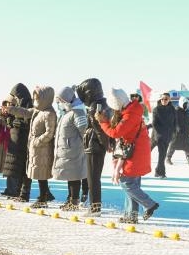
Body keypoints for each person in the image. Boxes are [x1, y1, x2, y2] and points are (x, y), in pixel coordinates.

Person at [98, 88, 158, 223]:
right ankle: (131, 216)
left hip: (135, 153)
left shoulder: (130, 114)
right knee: (133, 184)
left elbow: (115, 133)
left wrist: (103, 122)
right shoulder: (132, 110)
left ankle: (149, 204)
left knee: (127, 183)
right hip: (137, 150)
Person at [3, 86, 57, 207]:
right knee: (37, 173)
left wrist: (37, 141)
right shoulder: (38, 110)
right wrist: (11, 109)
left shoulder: (49, 113)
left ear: (45, 98)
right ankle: (43, 197)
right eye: (34, 98)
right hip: (35, 149)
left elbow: (50, 132)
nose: (35, 100)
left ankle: (43, 199)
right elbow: (25, 112)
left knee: (42, 174)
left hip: (43, 149)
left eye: (37, 98)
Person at [76, 78, 111, 214]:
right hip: (98, 144)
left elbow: (98, 129)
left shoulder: (94, 107)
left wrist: (106, 144)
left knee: (93, 178)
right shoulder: (104, 103)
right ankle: (95, 206)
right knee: (95, 177)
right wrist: (108, 143)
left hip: (93, 144)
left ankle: (95, 207)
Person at [52, 86, 88, 209]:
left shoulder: (77, 112)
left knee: (74, 177)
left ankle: (74, 201)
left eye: (60, 101)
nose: (59, 104)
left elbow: (84, 132)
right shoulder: (67, 113)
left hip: (75, 150)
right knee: (70, 176)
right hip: (68, 150)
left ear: (66, 100)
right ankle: (71, 199)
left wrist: (79, 146)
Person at [0, 83, 34, 200]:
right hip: (14, 139)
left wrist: (16, 121)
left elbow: (27, 122)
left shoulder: (29, 104)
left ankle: (19, 192)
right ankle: (12, 190)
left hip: (23, 141)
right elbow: (10, 124)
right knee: (12, 167)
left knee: (20, 167)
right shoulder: (15, 105)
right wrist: (7, 116)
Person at [151, 92, 176, 178]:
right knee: (147, 151)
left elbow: (175, 122)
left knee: (162, 155)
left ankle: (159, 172)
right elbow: (154, 123)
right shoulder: (157, 109)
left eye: (166, 99)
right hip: (157, 135)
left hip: (167, 136)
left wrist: (173, 133)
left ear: (169, 100)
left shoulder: (172, 109)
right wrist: (159, 134)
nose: (164, 101)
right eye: (162, 99)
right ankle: (160, 172)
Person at [168, 100, 189, 165]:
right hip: (177, 132)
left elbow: (187, 119)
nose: (186, 105)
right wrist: (178, 128)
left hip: (185, 131)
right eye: (184, 104)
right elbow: (175, 121)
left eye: (186, 104)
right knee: (173, 146)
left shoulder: (186, 111)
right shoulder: (176, 111)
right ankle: (168, 158)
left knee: (187, 146)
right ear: (181, 103)